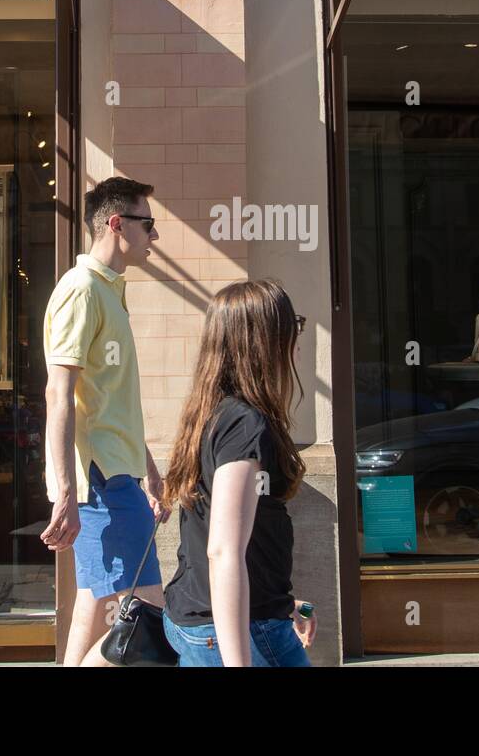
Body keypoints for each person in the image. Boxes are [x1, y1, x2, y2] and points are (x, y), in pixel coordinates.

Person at [39, 176, 168, 667]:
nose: (153, 236)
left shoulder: (110, 291)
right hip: (100, 483)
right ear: (117, 224)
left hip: (116, 473)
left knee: (94, 607)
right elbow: (59, 393)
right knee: (148, 616)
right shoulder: (82, 291)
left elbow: (109, 400)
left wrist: (148, 468)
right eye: (147, 224)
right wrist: (68, 494)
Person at [161, 279, 317, 667]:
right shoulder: (244, 424)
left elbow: (235, 536)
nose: (297, 336)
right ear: (266, 339)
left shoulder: (213, 415)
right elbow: (223, 550)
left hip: (222, 621)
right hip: (234, 632)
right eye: (292, 325)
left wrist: (281, 601)